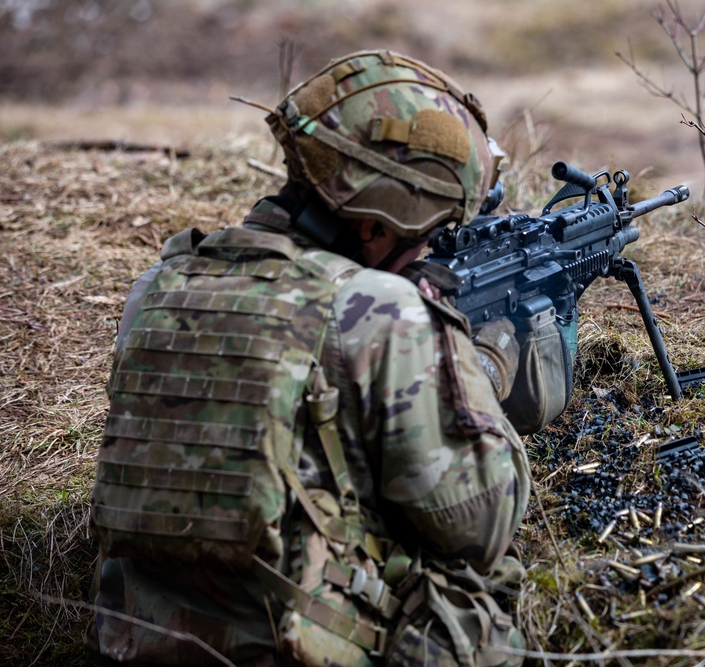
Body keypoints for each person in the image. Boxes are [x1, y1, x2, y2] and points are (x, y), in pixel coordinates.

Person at [85, 50, 574, 667]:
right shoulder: (377, 311)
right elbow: (481, 524)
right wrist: (477, 364)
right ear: (373, 228)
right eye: (427, 235)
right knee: (477, 608)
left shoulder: (156, 285)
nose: (429, 250)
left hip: (134, 644)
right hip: (298, 649)